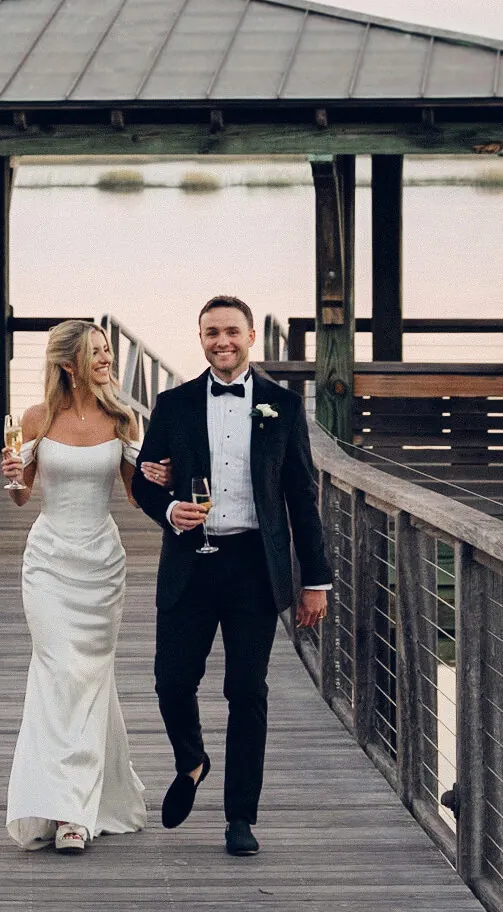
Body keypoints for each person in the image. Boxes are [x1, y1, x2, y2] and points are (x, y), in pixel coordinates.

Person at [129, 295, 331, 856]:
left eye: (232, 332)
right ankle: (191, 759)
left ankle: (241, 817)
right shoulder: (172, 405)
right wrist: (167, 508)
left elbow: (302, 496)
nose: (223, 341)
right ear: (200, 339)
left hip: (252, 568)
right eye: (212, 332)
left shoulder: (282, 407)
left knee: (247, 692)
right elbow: (146, 481)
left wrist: (316, 580)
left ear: (250, 338)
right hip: (189, 564)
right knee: (171, 682)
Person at [0, 320, 148, 853]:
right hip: (48, 563)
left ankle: (78, 807)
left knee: (88, 678)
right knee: (58, 671)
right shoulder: (37, 418)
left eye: (109, 351)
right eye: (97, 353)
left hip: (102, 565)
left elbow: (136, 498)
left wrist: (164, 477)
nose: (107, 360)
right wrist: (13, 473)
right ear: (68, 363)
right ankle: (64, 809)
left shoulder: (122, 418)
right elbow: (21, 496)